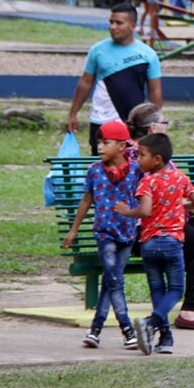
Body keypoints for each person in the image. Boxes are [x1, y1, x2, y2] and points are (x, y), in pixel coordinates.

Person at [125, 103, 194, 332]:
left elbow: (178, 196)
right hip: (148, 229)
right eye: (164, 123)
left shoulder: (147, 152)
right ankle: (189, 310)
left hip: (166, 221)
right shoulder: (146, 156)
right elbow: (173, 197)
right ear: (154, 127)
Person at [61, 120, 140, 350]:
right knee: (115, 280)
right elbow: (86, 200)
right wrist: (73, 230)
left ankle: (95, 330)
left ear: (122, 146)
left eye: (106, 143)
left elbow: (147, 196)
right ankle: (127, 329)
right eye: (99, 143)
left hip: (127, 233)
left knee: (110, 279)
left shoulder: (136, 170)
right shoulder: (95, 171)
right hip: (104, 233)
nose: (100, 148)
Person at [115, 132, 194, 356]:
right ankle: (151, 323)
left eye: (141, 155)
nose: (137, 159)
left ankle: (165, 338)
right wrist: (180, 206)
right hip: (172, 243)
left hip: (149, 244)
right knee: (176, 289)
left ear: (157, 159)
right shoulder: (180, 178)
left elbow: (145, 211)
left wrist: (126, 212)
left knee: (158, 289)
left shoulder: (147, 181)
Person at [66, 3, 163, 155]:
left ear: (132, 26)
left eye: (119, 23)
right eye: (111, 22)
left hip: (133, 124)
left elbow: (155, 90)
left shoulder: (148, 54)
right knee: (100, 168)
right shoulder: (97, 51)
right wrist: (73, 114)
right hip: (101, 121)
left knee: (133, 168)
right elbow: (85, 83)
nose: (113, 27)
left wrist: (157, 122)